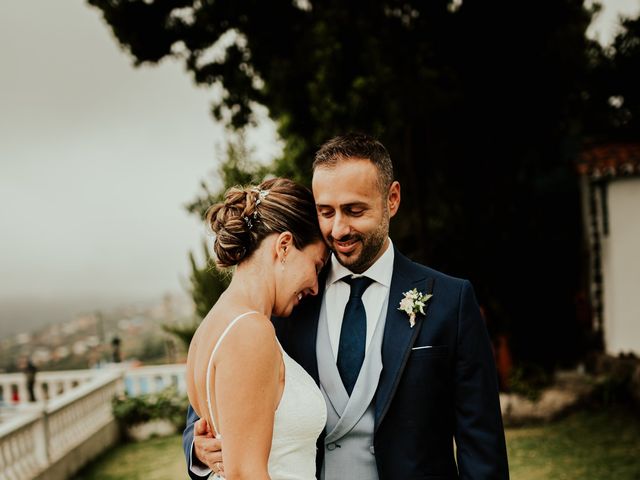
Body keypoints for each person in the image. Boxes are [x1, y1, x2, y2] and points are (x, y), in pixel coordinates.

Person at [184, 133, 509, 479]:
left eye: (354, 210)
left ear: (392, 200)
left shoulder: (451, 301)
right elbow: (210, 401)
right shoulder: (284, 301)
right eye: (326, 212)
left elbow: (481, 445)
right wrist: (200, 449)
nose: (339, 229)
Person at [185, 177, 329, 479]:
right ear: (285, 246)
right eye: (316, 266)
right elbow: (246, 474)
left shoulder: (212, 326)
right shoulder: (251, 331)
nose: (316, 286)